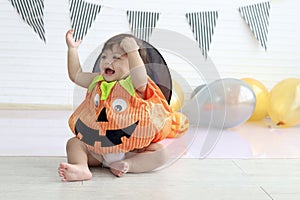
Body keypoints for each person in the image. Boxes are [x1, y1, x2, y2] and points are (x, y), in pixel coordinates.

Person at [58, 29, 188, 181]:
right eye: (104, 57)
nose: (107, 61)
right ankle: (81, 167)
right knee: (74, 143)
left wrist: (133, 51)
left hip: (132, 150)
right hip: (98, 152)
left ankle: (129, 165)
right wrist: (72, 49)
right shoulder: (97, 80)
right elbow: (76, 75)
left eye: (116, 58)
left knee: (162, 153)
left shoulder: (134, 83)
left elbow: (139, 75)